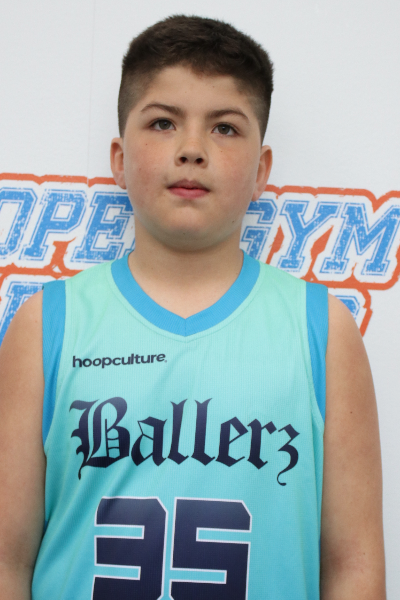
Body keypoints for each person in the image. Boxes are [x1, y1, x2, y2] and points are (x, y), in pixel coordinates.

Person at [0, 14, 385, 600]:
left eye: (224, 128)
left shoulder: (322, 330)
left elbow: (354, 568)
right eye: (163, 122)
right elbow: (6, 560)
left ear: (261, 171)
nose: (191, 150)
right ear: (118, 158)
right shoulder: (48, 324)